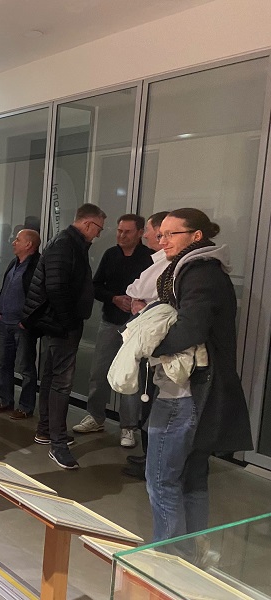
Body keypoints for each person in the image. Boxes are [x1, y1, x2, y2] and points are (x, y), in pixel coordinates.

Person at [146, 208, 251, 542]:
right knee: (192, 478)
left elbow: (191, 327)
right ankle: (190, 551)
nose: (163, 241)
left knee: (162, 480)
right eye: (160, 234)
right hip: (202, 390)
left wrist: (149, 345)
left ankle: (169, 558)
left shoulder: (198, 271)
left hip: (184, 391)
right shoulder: (204, 268)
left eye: (171, 234)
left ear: (196, 236)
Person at [21, 203, 106, 470]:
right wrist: (69, 322)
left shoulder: (70, 244)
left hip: (59, 323)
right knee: (61, 382)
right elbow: (56, 287)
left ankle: (46, 430)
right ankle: (57, 444)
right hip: (61, 324)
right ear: (88, 224)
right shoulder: (66, 244)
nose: (98, 234)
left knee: (52, 376)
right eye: (99, 229)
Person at [73, 215, 154, 448]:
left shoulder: (149, 258)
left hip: (136, 325)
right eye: (119, 231)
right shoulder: (110, 255)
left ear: (139, 233)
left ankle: (128, 426)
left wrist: (138, 303)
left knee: (131, 376)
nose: (121, 235)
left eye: (127, 232)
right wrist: (114, 298)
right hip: (110, 321)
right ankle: (96, 416)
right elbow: (96, 286)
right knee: (99, 371)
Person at [122, 210, 170, 479]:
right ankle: (149, 457)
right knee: (149, 399)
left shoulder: (167, 264)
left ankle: (152, 464)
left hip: (162, 346)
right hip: (153, 343)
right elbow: (134, 291)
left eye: (150, 231)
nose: (150, 236)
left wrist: (141, 303)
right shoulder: (160, 261)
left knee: (155, 403)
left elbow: (138, 290)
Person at [0, 228, 41, 419]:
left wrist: (27, 321)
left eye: (18, 239)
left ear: (29, 244)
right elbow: (5, 288)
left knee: (26, 367)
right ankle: (5, 400)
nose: (13, 242)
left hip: (22, 326)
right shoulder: (14, 263)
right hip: (5, 322)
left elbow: (38, 297)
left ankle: (26, 406)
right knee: (3, 364)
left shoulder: (36, 266)